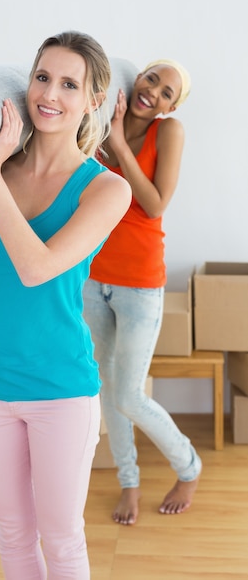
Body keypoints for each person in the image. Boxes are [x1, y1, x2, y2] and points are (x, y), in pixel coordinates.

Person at [0, 31, 131, 579]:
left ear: (92, 101)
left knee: (62, 539)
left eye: (69, 84)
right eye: (42, 77)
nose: (50, 94)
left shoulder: (105, 189)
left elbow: (36, 268)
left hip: (60, 387)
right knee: (13, 537)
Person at [83, 58, 202, 526]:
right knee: (109, 390)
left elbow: (153, 205)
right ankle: (129, 483)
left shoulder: (168, 133)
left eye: (168, 91)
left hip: (140, 285)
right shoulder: (97, 124)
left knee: (130, 394)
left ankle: (188, 467)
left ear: (172, 105)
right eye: (153, 77)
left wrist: (117, 144)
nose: (155, 90)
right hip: (92, 279)